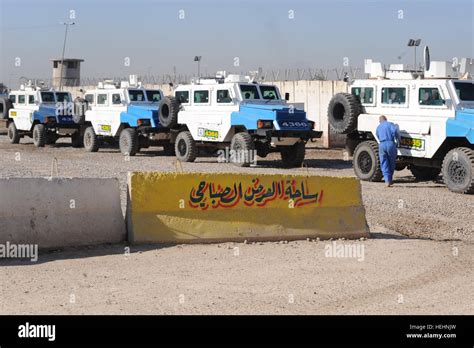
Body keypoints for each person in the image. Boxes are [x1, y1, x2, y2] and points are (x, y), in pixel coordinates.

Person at [376, 115, 399, 187]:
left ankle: (387, 181)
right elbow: (395, 131)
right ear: (386, 119)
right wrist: (398, 139)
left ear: (380, 121)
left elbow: (377, 135)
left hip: (382, 145)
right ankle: (390, 179)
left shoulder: (378, 127)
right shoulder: (390, 124)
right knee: (391, 162)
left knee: (384, 163)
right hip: (390, 144)